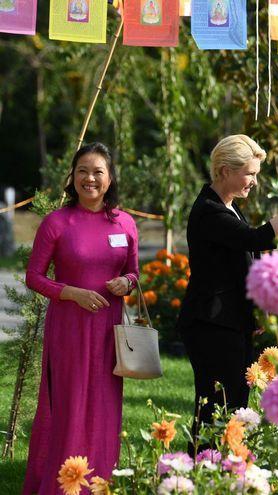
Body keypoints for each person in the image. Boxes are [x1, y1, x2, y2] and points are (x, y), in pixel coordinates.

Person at [176, 135, 278, 450]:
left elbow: (247, 254)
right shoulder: (210, 211)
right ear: (223, 171)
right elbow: (257, 238)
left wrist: (254, 309)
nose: (255, 181)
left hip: (230, 321)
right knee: (215, 409)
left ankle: (223, 470)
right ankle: (203, 471)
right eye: (249, 173)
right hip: (212, 325)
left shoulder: (228, 207)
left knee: (234, 405)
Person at [23, 143, 139, 494]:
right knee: (71, 407)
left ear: (110, 178)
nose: (90, 178)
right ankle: (64, 484)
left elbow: (134, 273)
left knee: (104, 408)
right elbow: (34, 277)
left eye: (98, 172)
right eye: (83, 171)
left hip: (108, 332)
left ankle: (99, 482)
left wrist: (126, 283)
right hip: (70, 330)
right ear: (72, 176)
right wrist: (72, 293)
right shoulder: (57, 222)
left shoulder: (125, 222)